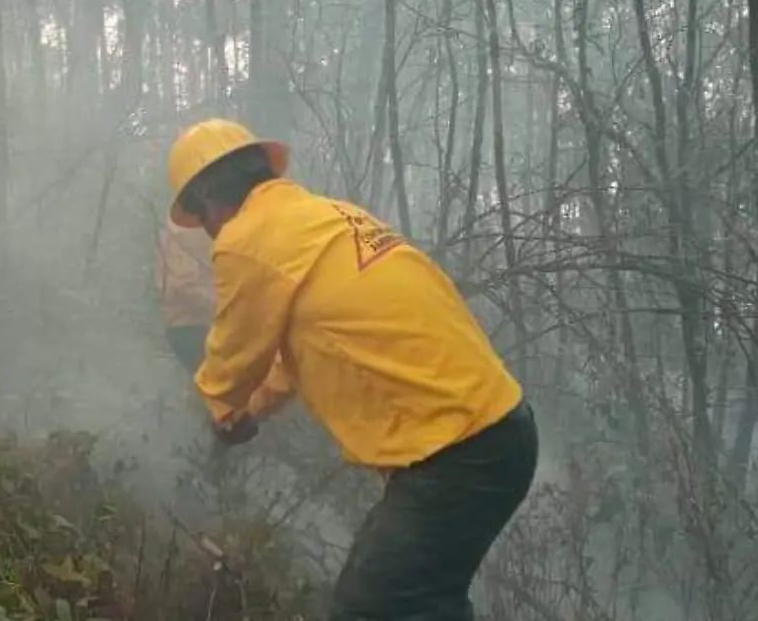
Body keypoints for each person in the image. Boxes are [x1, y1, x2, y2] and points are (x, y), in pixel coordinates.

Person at [167, 118, 536, 620]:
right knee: (415, 602)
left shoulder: (246, 239)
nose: (207, 230)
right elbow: (294, 357)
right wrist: (249, 408)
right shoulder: (326, 218)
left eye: (200, 214)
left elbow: (232, 360)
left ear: (210, 195)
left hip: (459, 450)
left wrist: (217, 411)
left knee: (371, 608)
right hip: (493, 434)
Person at [155, 218, 291, 421]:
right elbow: (182, 288)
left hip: (209, 324)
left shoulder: (219, 235)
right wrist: (231, 307)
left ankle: (214, 426)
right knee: (222, 388)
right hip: (190, 325)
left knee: (226, 385)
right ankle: (218, 427)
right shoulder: (180, 235)